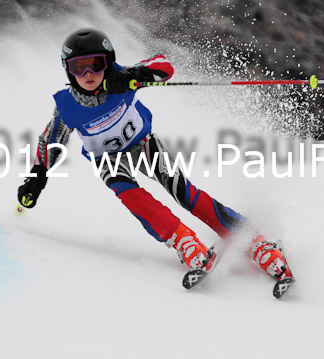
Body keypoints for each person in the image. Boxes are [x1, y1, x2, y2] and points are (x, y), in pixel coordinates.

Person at [17, 27, 293, 281]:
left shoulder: (121, 80)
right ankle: (182, 239)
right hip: (108, 161)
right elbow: (50, 141)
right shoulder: (67, 106)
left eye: (96, 64)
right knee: (132, 197)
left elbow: (164, 66)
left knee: (182, 190)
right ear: (68, 71)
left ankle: (254, 241)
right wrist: (37, 177)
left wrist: (133, 75)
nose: (89, 73)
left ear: (109, 62)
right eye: (79, 67)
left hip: (143, 145)